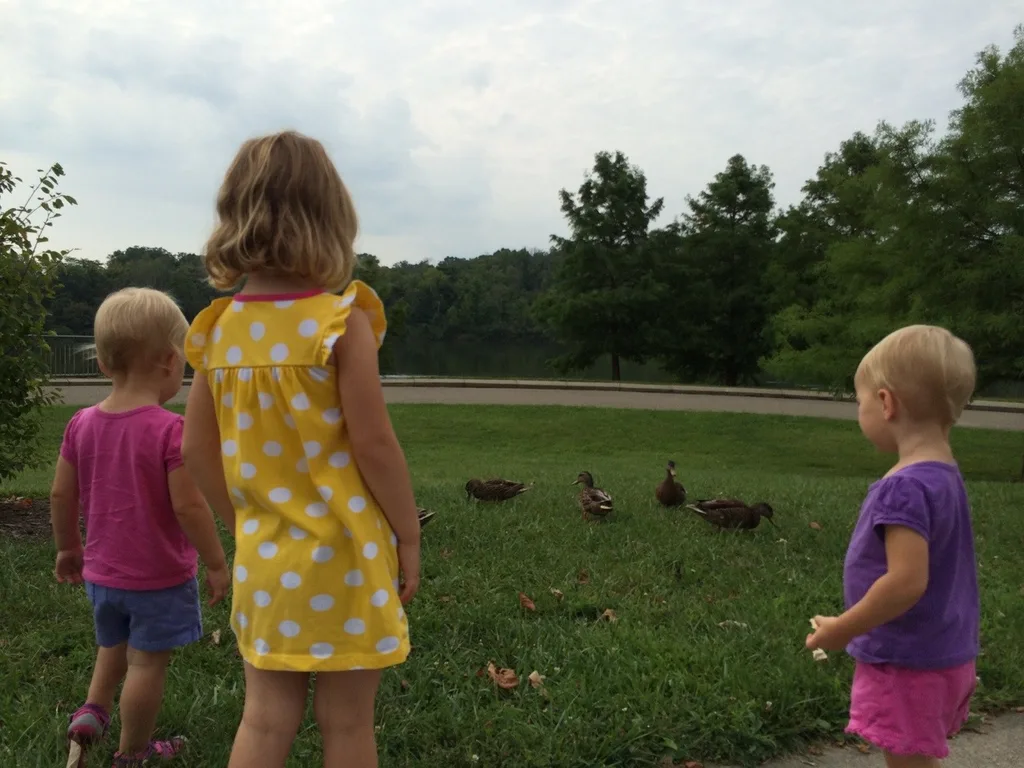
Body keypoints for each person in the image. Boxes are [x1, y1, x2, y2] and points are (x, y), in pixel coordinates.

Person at [181, 129, 421, 768]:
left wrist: (246, 524)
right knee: (347, 725)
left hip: (267, 560)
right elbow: (373, 442)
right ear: (331, 217)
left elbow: (195, 447)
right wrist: (408, 534)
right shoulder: (344, 322)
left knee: (262, 721)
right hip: (346, 553)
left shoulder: (218, 331)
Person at [52, 287, 230, 767]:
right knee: (147, 664)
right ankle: (133, 752)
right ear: (172, 361)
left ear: (105, 363)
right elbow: (191, 507)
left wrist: (69, 548)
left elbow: (61, 494)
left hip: (102, 575)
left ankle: (92, 711)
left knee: (112, 643)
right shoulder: (170, 430)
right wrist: (216, 562)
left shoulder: (80, 424)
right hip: (158, 578)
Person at [805, 325, 980, 768]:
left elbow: (905, 582)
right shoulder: (945, 476)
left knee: (908, 763)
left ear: (885, 403)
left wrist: (844, 628)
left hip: (907, 660)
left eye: (860, 401)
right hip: (948, 652)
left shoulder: (902, 487)